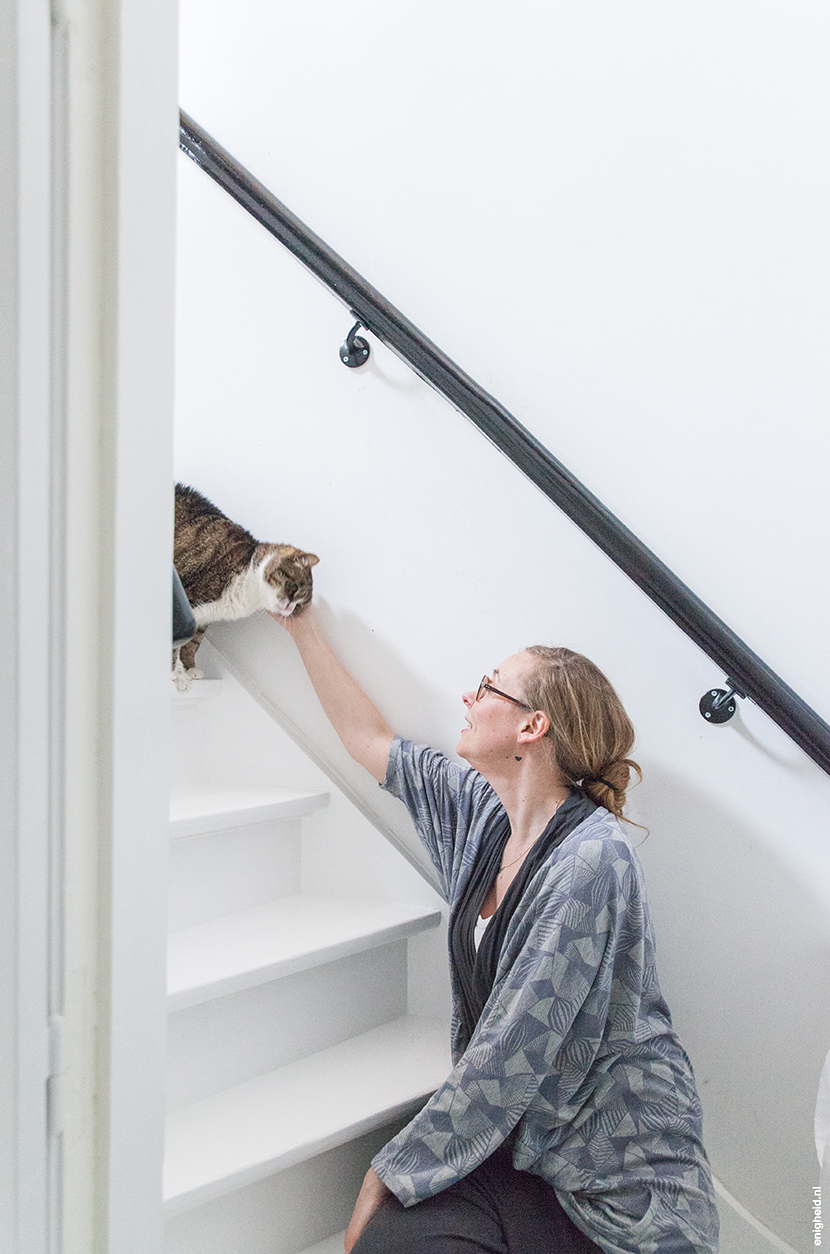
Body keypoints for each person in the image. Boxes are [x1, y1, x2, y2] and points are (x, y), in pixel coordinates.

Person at [272, 607, 719, 1254]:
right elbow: (372, 742)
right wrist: (301, 626)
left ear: (532, 726)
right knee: (390, 1243)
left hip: (625, 1192)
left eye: (487, 686)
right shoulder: (483, 815)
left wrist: (391, 1168)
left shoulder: (592, 860)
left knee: (390, 1207)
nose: (467, 695)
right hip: (527, 1158)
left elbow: (514, 1046)